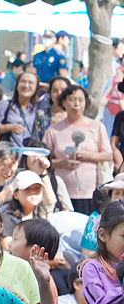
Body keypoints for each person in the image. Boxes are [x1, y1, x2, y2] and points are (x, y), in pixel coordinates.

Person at [45, 83, 111, 213]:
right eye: (72, 99)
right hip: (61, 193)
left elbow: (108, 155)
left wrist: (88, 156)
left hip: (91, 193)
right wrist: (61, 163)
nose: (76, 104)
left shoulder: (96, 126)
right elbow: (43, 159)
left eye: (81, 100)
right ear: (63, 102)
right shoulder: (54, 129)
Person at [0, 70, 44, 146]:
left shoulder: (38, 108)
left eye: (30, 83)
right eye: (23, 82)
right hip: (7, 153)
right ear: (17, 85)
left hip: (27, 155)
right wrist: (10, 127)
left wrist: (44, 87)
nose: (26, 86)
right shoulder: (4, 105)